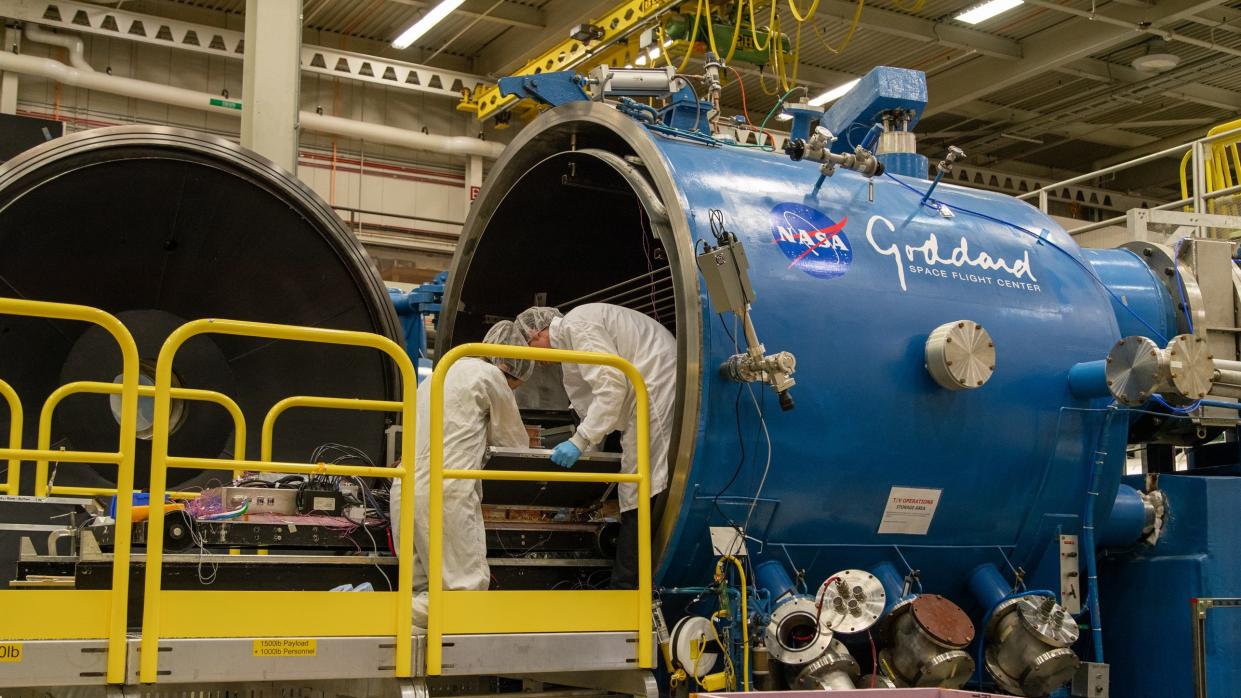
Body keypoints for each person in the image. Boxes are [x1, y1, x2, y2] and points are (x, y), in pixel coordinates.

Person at [514, 303, 676, 589]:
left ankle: (627, 585)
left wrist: (580, 441)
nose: (539, 360)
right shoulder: (572, 338)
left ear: (537, 333)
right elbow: (592, 399)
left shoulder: (578, 326)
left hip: (655, 383)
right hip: (644, 384)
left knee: (638, 482)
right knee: (634, 482)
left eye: (532, 348)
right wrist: (588, 444)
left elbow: (611, 388)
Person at [390, 320, 532, 627]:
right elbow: (516, 444)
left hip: (403, 490)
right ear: (511, 368)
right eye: (515, 388)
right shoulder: (491, 376)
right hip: (446, 493)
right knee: (464, 594)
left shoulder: (444, 370)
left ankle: (367, 612)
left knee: (420, 591)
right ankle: (366, 611)